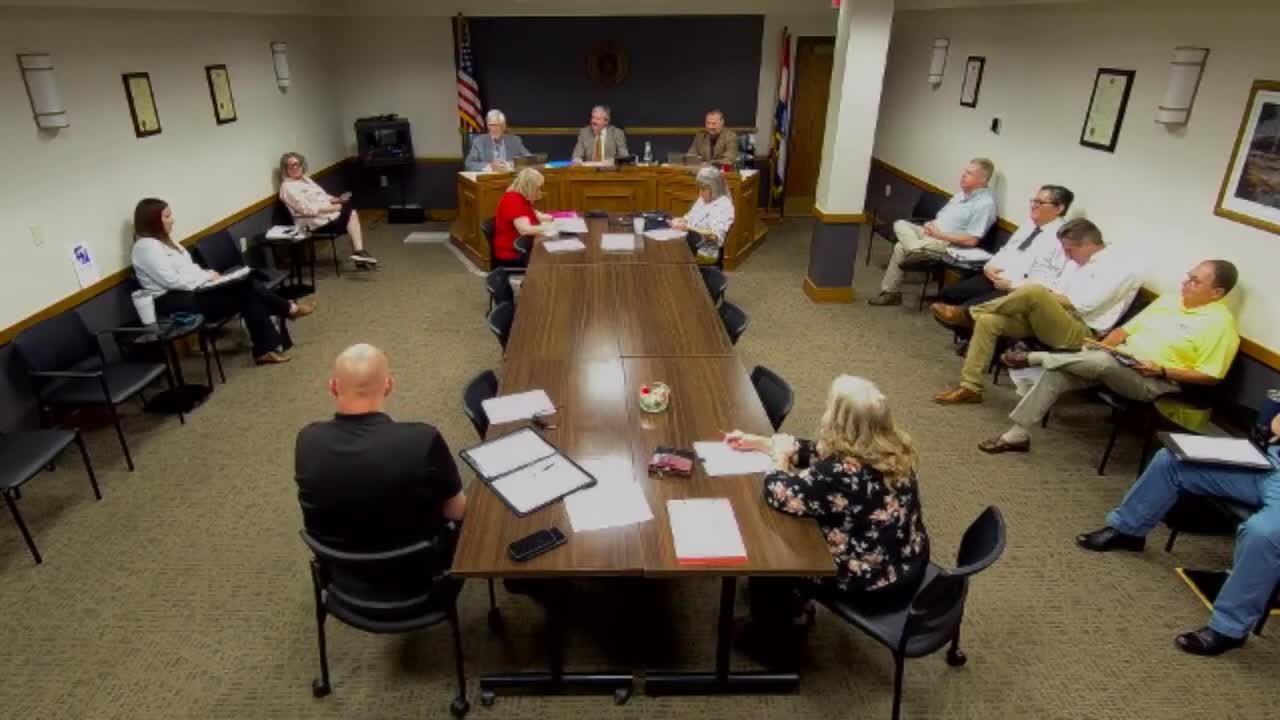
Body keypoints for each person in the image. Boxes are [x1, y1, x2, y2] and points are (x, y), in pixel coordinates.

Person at [725, 375, 929, 625]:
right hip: (908, 563)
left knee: (773, 553)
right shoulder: (894, 449)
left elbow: (779, 493)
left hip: (871, 585)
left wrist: (779, 458)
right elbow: (819, 452)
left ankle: (774, 630)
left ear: (840, 421)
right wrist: (762, 443)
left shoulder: (839, 474)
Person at [978, 260, 1240, 454]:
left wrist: (1162, 371)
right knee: (1061, 371)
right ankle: (1017, 435)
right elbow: (1122, 331)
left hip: (1155, 382)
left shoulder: (1220, 325)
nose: (1186, 283)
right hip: (1119, 360)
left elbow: (1211, 376)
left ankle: (1035, 357)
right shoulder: (1169, 301)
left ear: (1216, 293)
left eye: (1196, 281)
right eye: (1188, 277)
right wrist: (1102, 346)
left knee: (1102, 363)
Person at [1075, 410, 1280, 656]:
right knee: (1172, 460)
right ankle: (1128, 530)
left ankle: (1229, 629)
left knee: (1262, 534)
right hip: (1271, 461)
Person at [295, 344, 467, 595]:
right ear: (389, 385)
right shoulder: (422, 440)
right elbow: (457, 511)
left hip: (344, 580)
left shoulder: (306, 440)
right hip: (420, 579)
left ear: (333, 387)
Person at [933, 218, 1141, 404]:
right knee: (988, 320)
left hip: (1082, 333)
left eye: (1070, 250)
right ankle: (970, 387)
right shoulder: (1077, 261)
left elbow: (1081, 304)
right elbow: (1057, 291)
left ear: (1088, 244)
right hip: (1053, 319)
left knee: (1033, 291)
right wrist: (1045, 295)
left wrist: (1040, 294)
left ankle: (969, 313)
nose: (1067, 257)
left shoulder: (1119, 267)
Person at [130, 198, 313, 366]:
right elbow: (172, 281)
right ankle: (287, 311)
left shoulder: (167, 241)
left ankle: (268, 345)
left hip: (194, 289)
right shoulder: (145, 247)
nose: (173, 220)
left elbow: (189, 268)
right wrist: (206, 278)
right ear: (153, 221)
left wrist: (208, 273)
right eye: (167, 216)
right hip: (173, 300)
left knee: (248, 288)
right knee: (247, 290)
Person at [869, 158, 998, 306]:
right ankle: (915, 249)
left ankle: (891, 293)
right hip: (930, 233)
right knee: (900, 223)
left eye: (968, 173)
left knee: (900, 247)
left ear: (982, 179)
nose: (963, 175)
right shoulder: (961, 195)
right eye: (964, 171)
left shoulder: (985, 204)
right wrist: (930, 225)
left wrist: (939, 235)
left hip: (948, 244)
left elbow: (971, 240)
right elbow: (942, 217)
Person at [936, 184, 1073, 308]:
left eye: (1040, 202)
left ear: (1059, 208)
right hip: (995, 277)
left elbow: (1048, 281)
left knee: (970, 309)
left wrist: (1012, 286)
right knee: (948, 294)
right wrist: (989, 267)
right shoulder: (1029, 224)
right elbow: (1005, 250)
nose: (1033, 205)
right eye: (1034, 201)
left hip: (1016, 290)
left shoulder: (1062, 238)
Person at [277, 152, 379, 269]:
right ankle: (359, 253)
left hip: (328, 216)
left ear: (302, 165)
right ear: (286, 169)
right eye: (291, 166)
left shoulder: (306, 179)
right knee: (351, 212)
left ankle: (359, 253)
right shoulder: (287, 187)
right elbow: (307, 209)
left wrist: (337, 199)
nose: (295, 167)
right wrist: (335, 207)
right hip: (314, 223)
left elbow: (324, 196)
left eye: (297, 164)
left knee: (349, 208)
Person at [493, 168, 555, 269]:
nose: (539, 191)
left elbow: (536, 215)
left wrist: (554, 219)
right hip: (513, 252)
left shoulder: (520, 197)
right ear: (530, 187)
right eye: (537, 188)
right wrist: (551, 227)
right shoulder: (513, 200)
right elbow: (525, 230)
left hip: (524, 245)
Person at [670, 167, 734, 264]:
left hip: (707, 253)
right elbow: (689, 217)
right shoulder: (703, 199)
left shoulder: (724, 206)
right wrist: (680, 220)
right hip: (691, 243)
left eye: (703, 189)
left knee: (670, 256)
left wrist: (688, 229)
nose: (700, 192)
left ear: (714, 188)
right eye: (699, 188)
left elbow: (715, 236)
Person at [465, 109, 530, 172]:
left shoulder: (515, 141)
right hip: (488, 180)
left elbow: (529, 159)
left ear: (503, 126)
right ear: (487, 126)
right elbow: (469, 164)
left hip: (510, 179)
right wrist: (490, 166)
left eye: (497, 125)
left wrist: (512, 164)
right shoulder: (479, 142)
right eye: (491, 125)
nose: (493, 129)